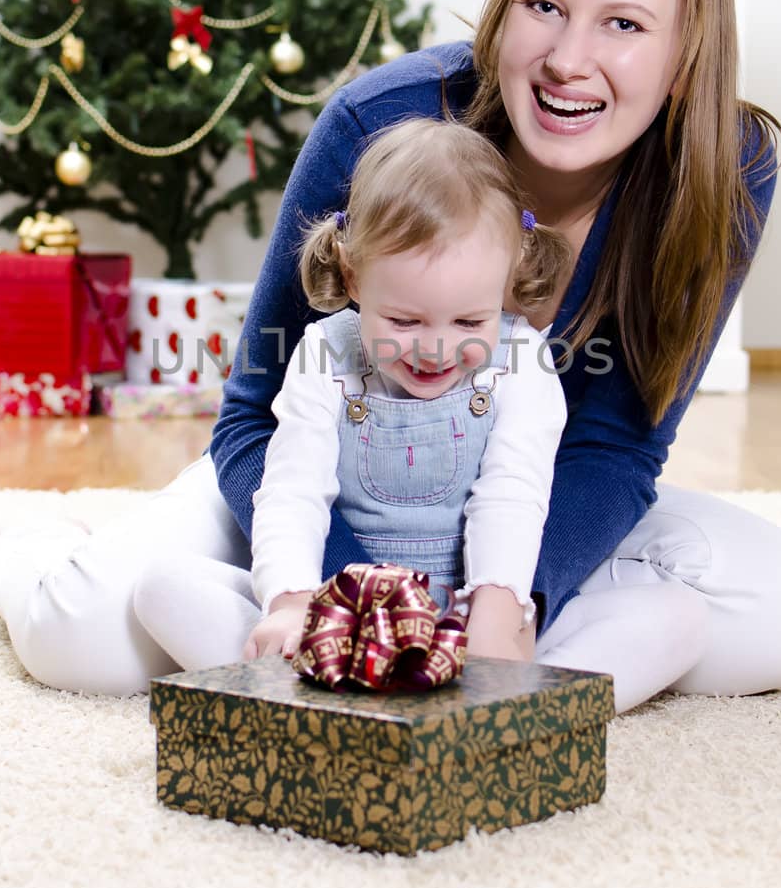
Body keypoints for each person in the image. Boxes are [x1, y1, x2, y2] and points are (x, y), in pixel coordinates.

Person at [0, 0, 781, 713]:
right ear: (502, 8)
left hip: (521, 503)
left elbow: (619, 449)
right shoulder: (384, 124)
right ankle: (27, 555)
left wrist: (513, 598)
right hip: (327, 478)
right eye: (544, 6)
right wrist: (345, 595)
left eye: (626, 24)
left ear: (687, 55)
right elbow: (255, 414)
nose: (570, 58)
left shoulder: (726, 172)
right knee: (84, 641)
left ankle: (468, 655)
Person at [223, 115, 569, 668]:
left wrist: (495, 627)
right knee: (163, 591)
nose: (434, 350)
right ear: (354, 277)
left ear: (508, 279)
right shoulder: (325, 354)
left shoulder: (521, 361)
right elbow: (293, 492)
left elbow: (513, 495)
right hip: (342, 611)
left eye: (468, 322)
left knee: (669, 620)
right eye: (404, 322)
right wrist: (291, 603)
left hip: (470, 611)